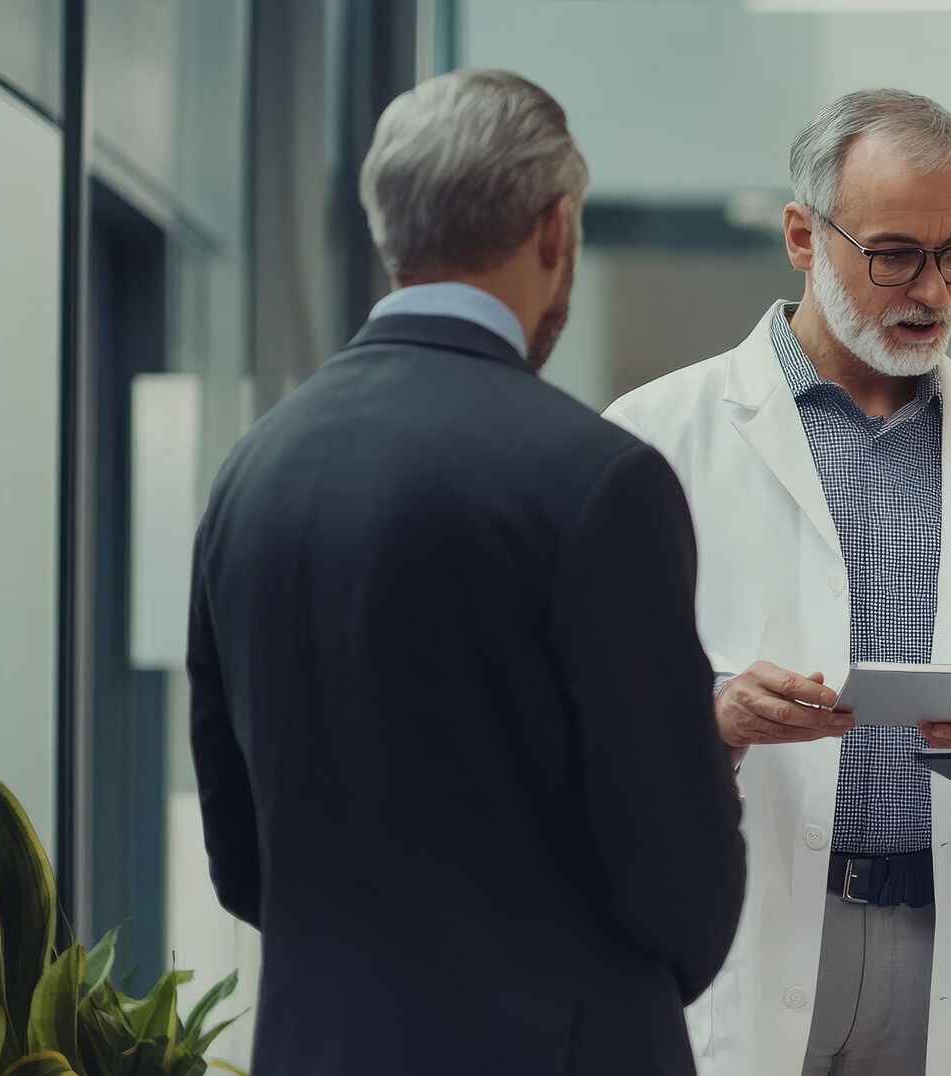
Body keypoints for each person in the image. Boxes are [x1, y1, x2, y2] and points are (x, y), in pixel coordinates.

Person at [186, 68, 744, 1075]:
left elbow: (240, 851)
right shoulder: (598, 480)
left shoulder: (251, 474)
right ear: (555, 230)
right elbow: (682, 878)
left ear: (389, 226)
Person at [604, 88, 951, 1076]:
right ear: (802, 235)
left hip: (935, 927)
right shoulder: (655, 434)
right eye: (894, 254)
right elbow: (583, 703)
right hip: (744, 918)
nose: (932, 290)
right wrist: (714, 712)